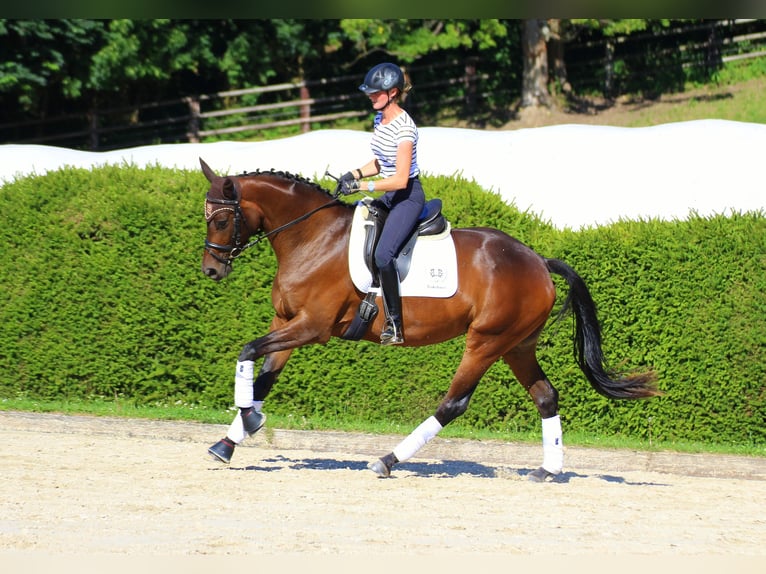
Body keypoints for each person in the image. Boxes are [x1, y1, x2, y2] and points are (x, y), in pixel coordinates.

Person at [338, 62, 424, 346]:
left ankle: (395, 325)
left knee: (384, 255)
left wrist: (361, 186)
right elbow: (381, 161)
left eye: (376, 93)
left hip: (407, 196)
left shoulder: (405, 128)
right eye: (370, 92)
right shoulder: (380, 120)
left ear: (393, 92)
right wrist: (355, 173)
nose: (371, 96)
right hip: (388, 194)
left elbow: (399, 178)